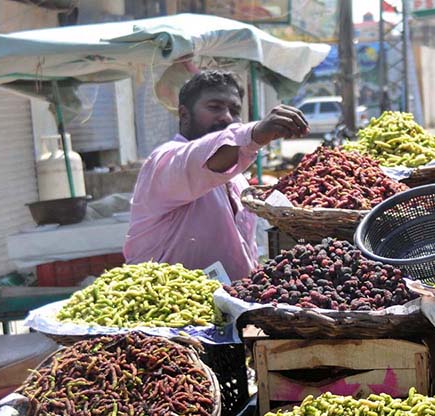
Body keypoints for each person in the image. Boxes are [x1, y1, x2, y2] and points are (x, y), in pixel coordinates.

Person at [123, 70, 309, 280]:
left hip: (228, 304)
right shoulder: (165, 162)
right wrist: (254, 133)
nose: (227, 117)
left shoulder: (236, 177)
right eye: (215, 107)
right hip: (171, 305)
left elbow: (246, 248)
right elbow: (199, 158)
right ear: (184, 115)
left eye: (234, 110)